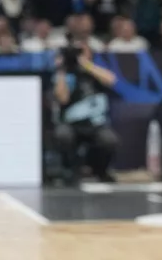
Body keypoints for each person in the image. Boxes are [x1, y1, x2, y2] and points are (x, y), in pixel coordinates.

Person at [51, 38, 119, 184]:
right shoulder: (66, 74)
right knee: (63, 135)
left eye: (82, 51)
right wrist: (62, 70)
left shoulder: (95, 70)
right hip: (71, 123)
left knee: (109, 139)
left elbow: (111, 80)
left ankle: (101, 171)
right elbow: (62, 98)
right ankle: (70, 170)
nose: (79, 55)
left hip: (96, 123)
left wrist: (85, 64)